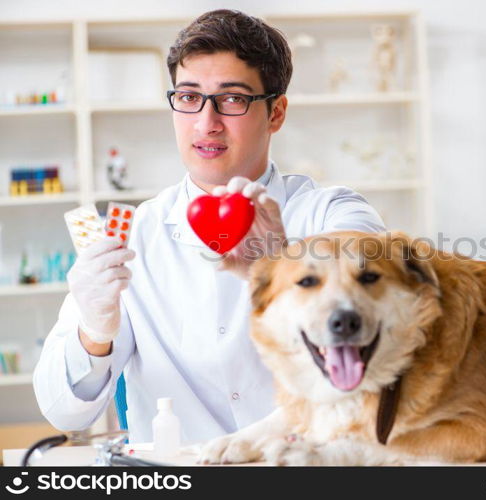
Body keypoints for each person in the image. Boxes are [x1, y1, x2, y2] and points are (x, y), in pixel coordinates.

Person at [33, 9, 385, 445]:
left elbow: (385, 352)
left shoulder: (333, 214)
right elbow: (63, 411)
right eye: (188, 97)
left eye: (233, 98)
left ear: (276, 112)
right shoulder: (130, 234)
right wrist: (94, 331)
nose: (206, 122)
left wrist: (283, 271)